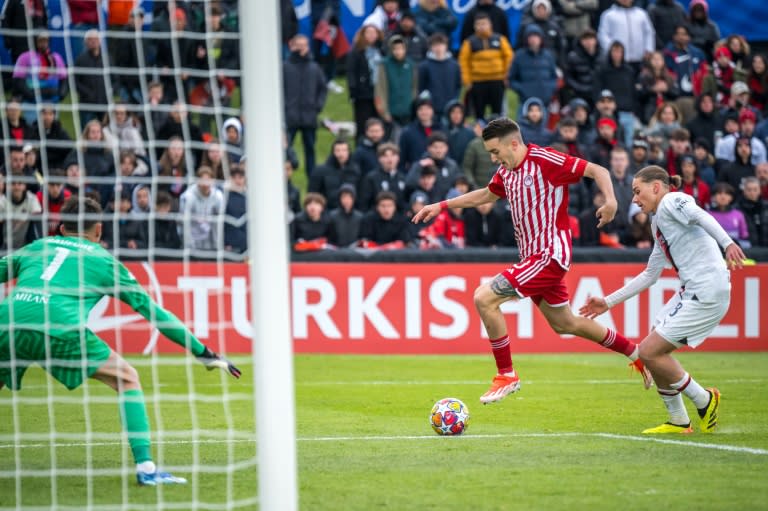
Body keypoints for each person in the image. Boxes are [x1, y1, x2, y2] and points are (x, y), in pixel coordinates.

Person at [0, 196, 240, 485]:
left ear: (61, 228)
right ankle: (147, 469)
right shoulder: (104, 261)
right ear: (99, 230)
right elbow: (157, 314)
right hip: (59, 327)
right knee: (127, 378)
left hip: (8, 320)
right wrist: (204, 353)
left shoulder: (38, 246)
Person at [412, 118, 652, 404]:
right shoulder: (506, 171)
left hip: (550, 254)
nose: (493, 158)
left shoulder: (545, 159)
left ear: (514, 143)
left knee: (484, 297)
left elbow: (597, 169)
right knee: (566, 323)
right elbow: (486, 195)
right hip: (533, 257)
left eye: (495, 151)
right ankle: (636, 354)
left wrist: (611, 201)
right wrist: (441, 205)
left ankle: (506, 375)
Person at [580, 165, 746, 434]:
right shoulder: (659, 222)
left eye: (637, 191)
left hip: (707, 290)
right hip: (693, 290)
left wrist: (727, 243)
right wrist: (607, 302)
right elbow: (650, 274)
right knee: (653, 343)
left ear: (656, 187)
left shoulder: (671, 200)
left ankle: (704, 399)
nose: (634, 199)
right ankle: (679, 420)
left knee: (648, 351)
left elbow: (701, 215)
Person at [283, 34, 328, 177]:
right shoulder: (285, 67)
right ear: (292, 46)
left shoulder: (314, 67)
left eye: (304, 45)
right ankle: (284, 173)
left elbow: (322, 88)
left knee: (310, 148)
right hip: (290, 116)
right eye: (299, 45)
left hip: (309, 116)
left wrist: (317, 106)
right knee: (285, 148)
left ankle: (312, 176)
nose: (302, 48)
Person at [458, 13, 513, 121]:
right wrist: (467, 81)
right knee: (479, 114)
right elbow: (463, 63)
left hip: (497, 81)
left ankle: (499, 134)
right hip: (478, 82)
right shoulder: (469, 42)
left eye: (484, 23)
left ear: (490, 25)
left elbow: (509, 58)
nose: (482, 26)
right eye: (478, 24)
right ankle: (481, 134)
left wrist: (506, 76)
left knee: (498, 113)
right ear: (474, 26)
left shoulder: (500, 39)